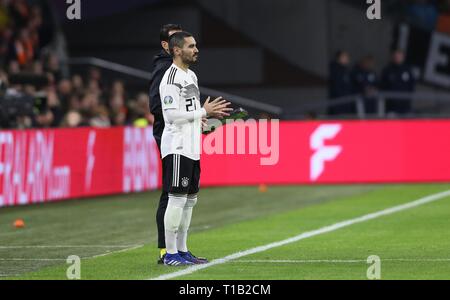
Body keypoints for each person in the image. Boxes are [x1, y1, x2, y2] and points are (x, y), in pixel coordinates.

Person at [159, 31, 231, 266]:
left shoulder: (191, 76)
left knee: (190, 201)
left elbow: (188, 111)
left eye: (196, 45)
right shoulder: (170, 79)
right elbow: (170, 116)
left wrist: (204, 122)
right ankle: (170, 254)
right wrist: (203, 112)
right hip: (177, 146)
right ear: (177, 50)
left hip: (191, 146)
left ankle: (182, 250)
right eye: (191, 46)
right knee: (177, 198)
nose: (196, 49)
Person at [148, 24, 183, 264]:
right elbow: (155, 106)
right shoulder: (164, 69)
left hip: (181, 133)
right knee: (170, 193)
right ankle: (166, 250)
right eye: (174, 39)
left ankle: (178, 249)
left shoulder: (180, 69)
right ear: (165, 45)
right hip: (169, 135)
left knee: (180, 192)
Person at [381, 49, 416, 115]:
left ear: (403, 57)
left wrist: (408, 98)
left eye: (399, 56)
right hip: (391, 106)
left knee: (406, 122)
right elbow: (383, 86)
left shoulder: (408, 70)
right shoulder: (387, 70)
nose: (397, 58)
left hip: (405, 106)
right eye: (396, 57)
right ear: (393, 57)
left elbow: (412, 85)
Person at [328, 50, 354, 116]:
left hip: (346, 101)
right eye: (345, 56)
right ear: (339, 58)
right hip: (339, 103)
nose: (347, 58)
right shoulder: (335, 70)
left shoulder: (345, 70)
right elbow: (337, 87)